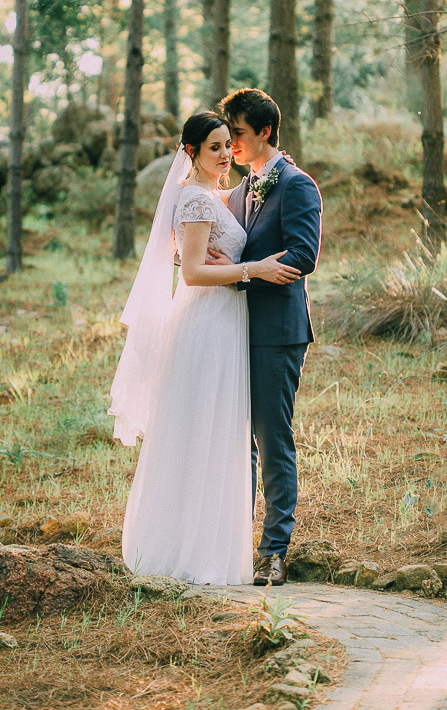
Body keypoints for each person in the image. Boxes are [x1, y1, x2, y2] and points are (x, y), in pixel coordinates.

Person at [109, 111, 300, 586]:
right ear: (191, 152)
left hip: (228, 322)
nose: (225, 153)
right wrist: (248, 269)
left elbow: (196, 247)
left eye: (228, 143)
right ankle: (188, 551)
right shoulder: (196, 198)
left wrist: (225, 257)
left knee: (220, 434)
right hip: (208, 323)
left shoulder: (218, 196)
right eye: (215, 146)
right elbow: (193, 271)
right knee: (203, 431)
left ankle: (214, 544)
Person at [217, 88, 322, 587]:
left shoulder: (298, 186)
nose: (230, 142)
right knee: (239, 442)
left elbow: (302, 256)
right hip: (235, 328)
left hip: (278, 332)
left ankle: (274, 551)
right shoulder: (239, 192)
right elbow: (235, 256)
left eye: (237, 133)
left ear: (265, 132)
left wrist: (245, 272)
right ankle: (234, 543)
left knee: (272, 438)